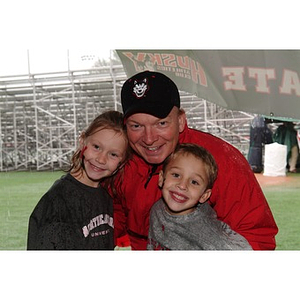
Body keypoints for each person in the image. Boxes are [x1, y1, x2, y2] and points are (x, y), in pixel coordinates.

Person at [113, 70, 278, 250]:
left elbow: (257, 238)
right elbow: (117, 214)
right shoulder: (120, 157)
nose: (149, 138)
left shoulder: (219, 158)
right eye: (136, 126)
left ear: (181, 120)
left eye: (161, 123)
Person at [27, 111, 131, 250]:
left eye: (113, 154)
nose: (101, 159)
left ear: (122, 162)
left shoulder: (107, 194)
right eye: (96, 147)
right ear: (82, 141)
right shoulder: (59, 201)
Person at [147, 143, 252, 250]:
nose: (182, 185)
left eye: (194, 182)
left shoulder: (207, 233)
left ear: (204, 196)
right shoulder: (157, 208)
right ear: (161, 178)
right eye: (176, 175)